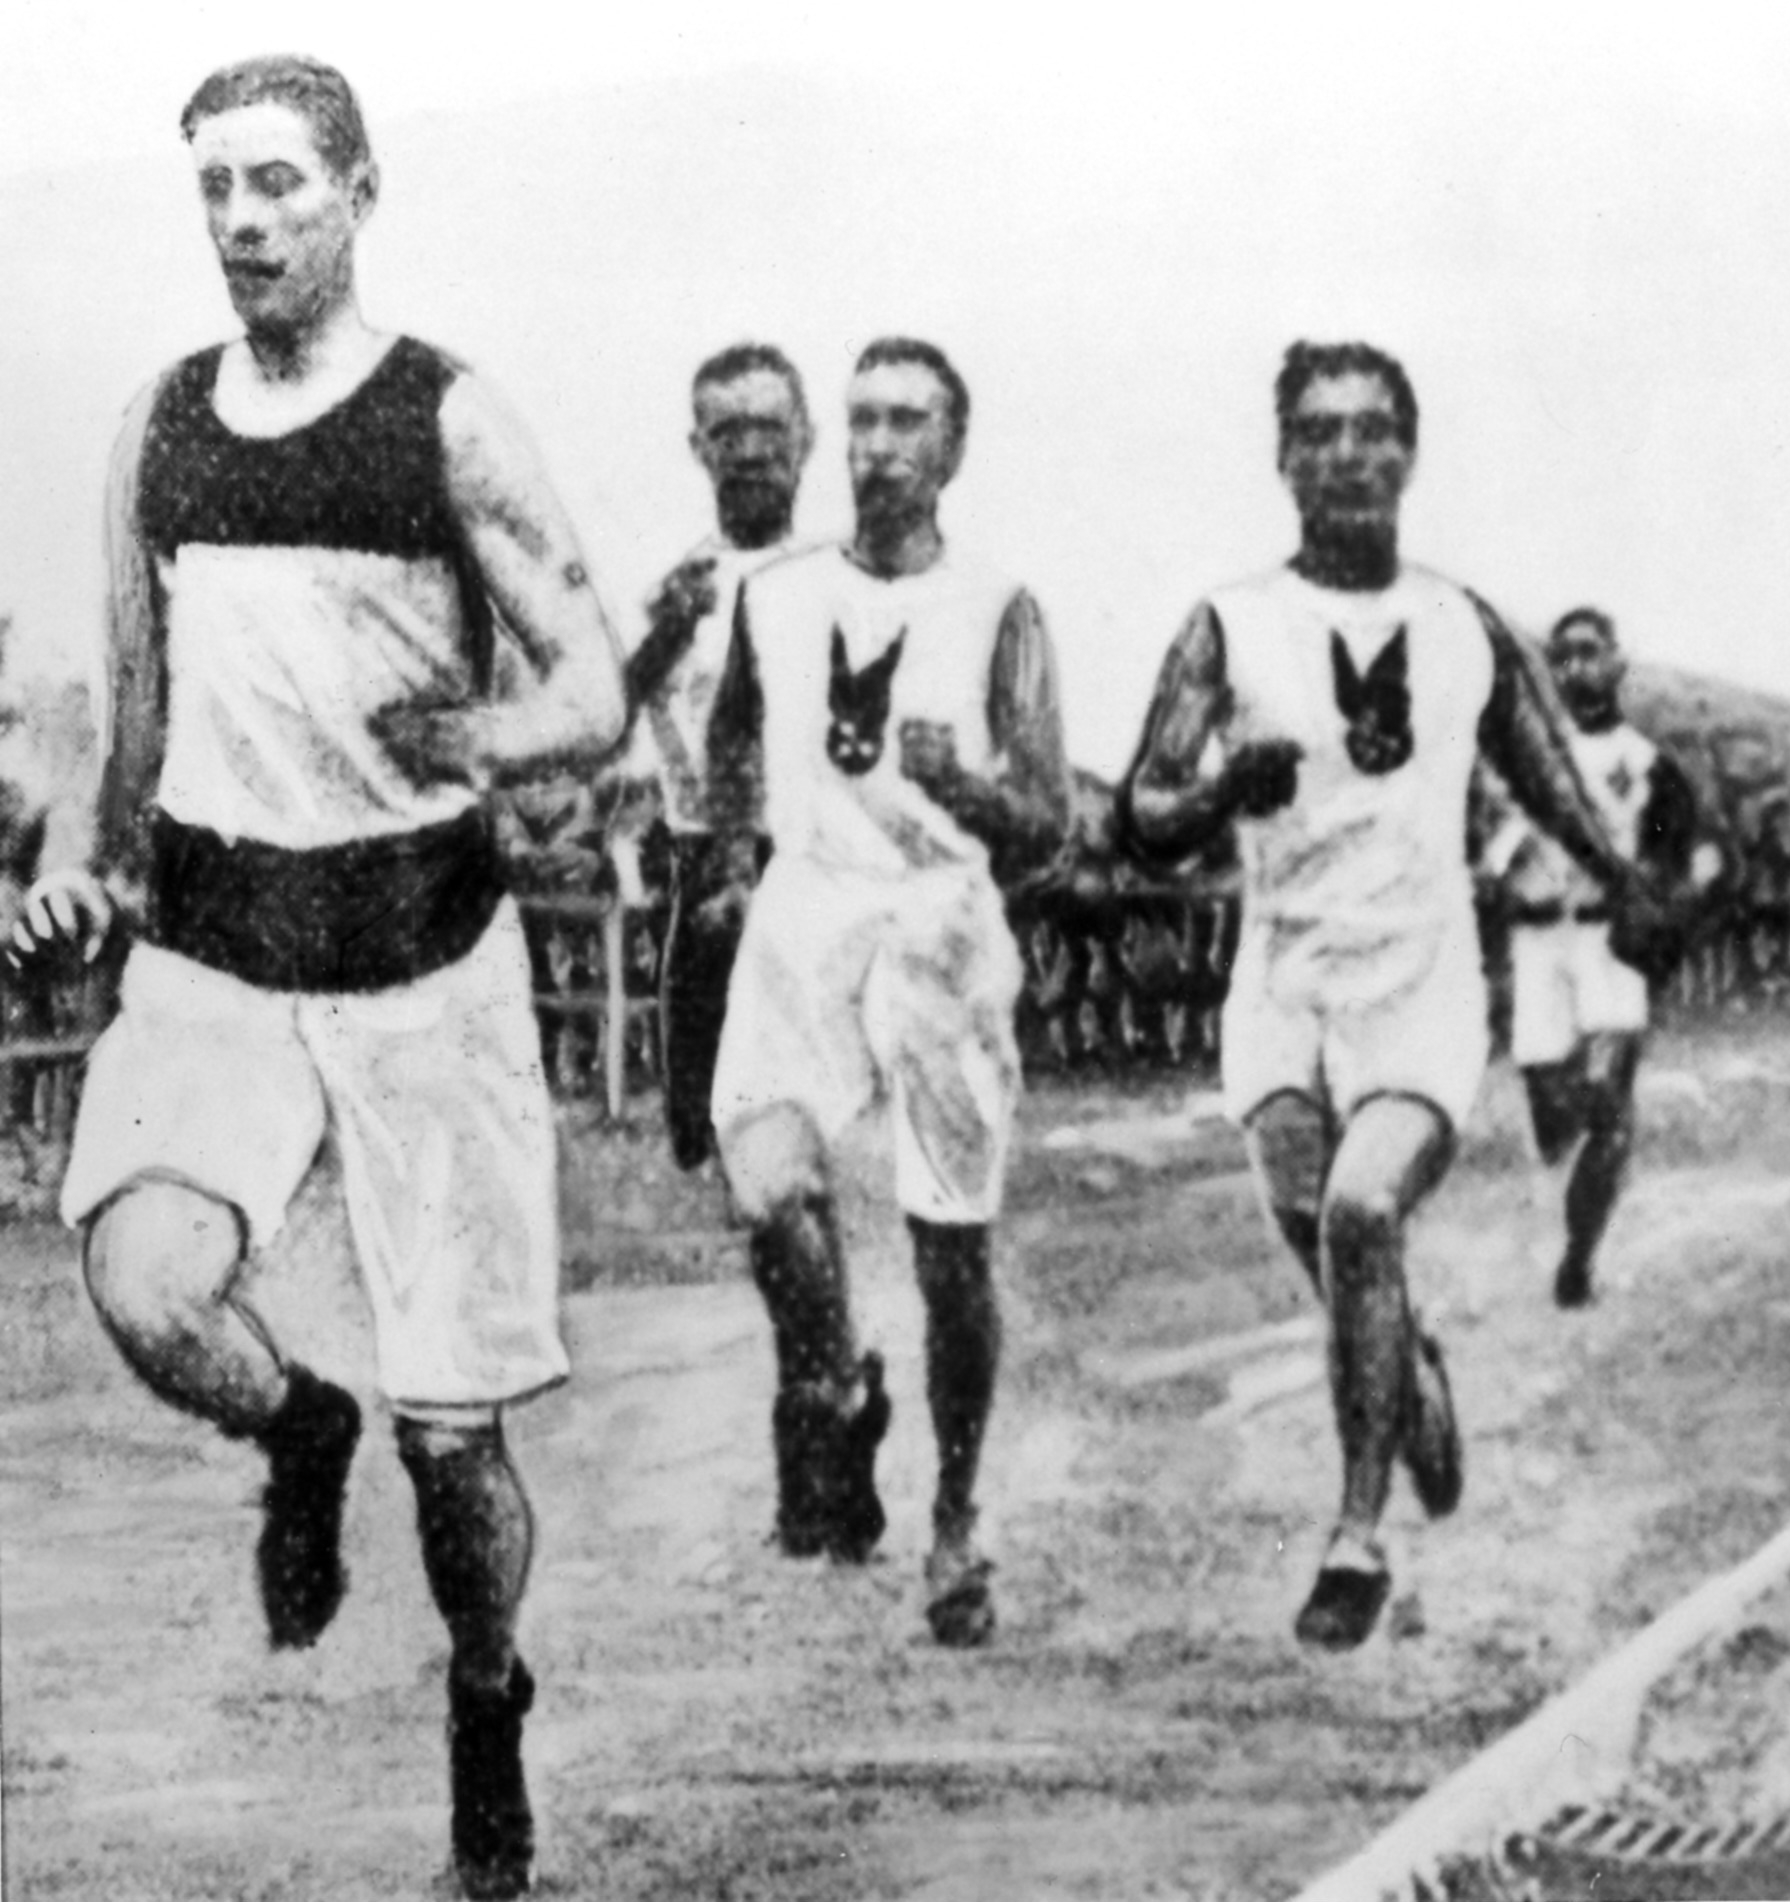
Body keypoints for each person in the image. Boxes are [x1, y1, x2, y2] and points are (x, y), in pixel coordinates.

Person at [12, 57, 625, 1900]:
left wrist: (498, 733)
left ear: (357, 191)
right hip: (217, 945)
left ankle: (488, 1691)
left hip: (417, 956)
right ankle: (299, 1426)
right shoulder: (160, 429)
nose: (244, 222)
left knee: (460, 1447)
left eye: (279, 182)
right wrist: (61, 869)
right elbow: (120, 714)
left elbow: (592, 681)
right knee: (142, 1279)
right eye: (215, 189)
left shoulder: (446, 419)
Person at [1118, 340, 1685, 1651]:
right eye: (1318, 432)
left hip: (1419, 988)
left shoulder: (1461, 623)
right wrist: (1213, 793)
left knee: (1366, 1214)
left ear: (1410, 453)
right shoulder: (1230, 622)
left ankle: (1357, 1531)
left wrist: (1624, 876)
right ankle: (1406, 1366)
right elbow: (1146, 804)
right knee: (1323, 1225)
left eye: (1374, 429)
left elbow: (1550, 771)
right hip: (1283, 987)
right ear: (1283, 459)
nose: (1349, 454)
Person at [702, 337, 1070, 1648]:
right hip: (809, 909)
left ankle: (958, 1518)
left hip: (938, 934)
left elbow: (1049, 818)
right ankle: (834, 1383)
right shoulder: (780, 593)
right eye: (859, 418)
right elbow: (732, 738)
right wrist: (727, 860)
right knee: (767, 1184)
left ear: (953, 448)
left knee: (947, 1244)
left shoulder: (999, 606)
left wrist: (969, 790)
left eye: (908, 421)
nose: (877, 444)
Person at [621, 343, 817, 1169]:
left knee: (810, 1100)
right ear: (698, 446)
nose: (749, 450)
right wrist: (669, 630)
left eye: (768, 427)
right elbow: (609, 710)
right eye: (727, 430)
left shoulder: (835, 576)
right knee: (697, 1120)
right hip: (701, 860)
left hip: (814, 859)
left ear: (804, 438)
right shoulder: (678, 585)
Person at [1489, 608, 1709, 1308]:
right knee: (1554, 1120)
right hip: (1538, 943)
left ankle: (1578, 1257)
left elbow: (1679, 859)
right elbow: (1489, 845)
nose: (1576, 668)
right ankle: (1587, 1129)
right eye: (1563, 657)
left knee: (1608, 1104)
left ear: (1618, 662)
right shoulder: (1525, 762)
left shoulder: (1648, 765)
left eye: (1590, 653)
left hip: (1608, 946)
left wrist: (1666, 906)